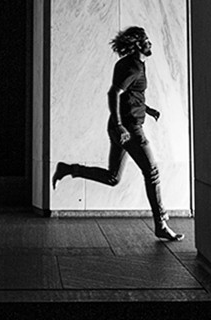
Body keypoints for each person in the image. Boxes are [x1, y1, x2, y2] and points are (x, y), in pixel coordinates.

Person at [52, 25, 183, 241]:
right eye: (147, 40)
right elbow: (114, 92)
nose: (151, 43)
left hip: (121, 126)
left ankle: (68, 169)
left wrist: (147, 110)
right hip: (128, 129)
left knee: (113, 178)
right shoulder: (134, 67)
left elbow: (131, 94)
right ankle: (160, 223)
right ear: (138, 44)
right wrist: (121, 125)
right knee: (152, 172)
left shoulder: (134, 64)